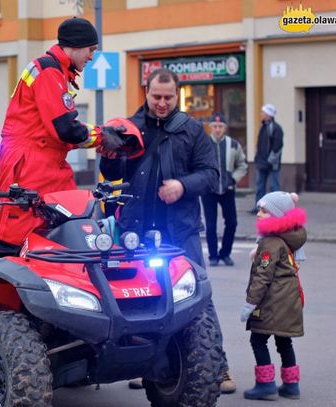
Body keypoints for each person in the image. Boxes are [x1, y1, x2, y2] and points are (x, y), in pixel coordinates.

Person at [100, 68, 236, 394]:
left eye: (168, 97)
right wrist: (107, 155)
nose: (162, 103)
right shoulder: (129, 128)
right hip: (137, 230)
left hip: (181, 230)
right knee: (140, 298)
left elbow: (211, 174)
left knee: (198, 298)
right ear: (146, 92)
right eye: (156, 97)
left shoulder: (192, 130)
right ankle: (144, 366)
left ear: (178, 95)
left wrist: (182, 185)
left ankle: (217, 367)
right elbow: (112, 171)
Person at [0, 17, 125, 260]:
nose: (92, 56)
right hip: (30, 163)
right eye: (91, 49)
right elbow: (65, 129)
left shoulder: (54, 71)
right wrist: (102, 136)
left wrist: (100, 137)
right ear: (76, 45)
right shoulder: (49, 72)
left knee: (69, 222)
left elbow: (57, 132)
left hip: (42, 159)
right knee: (19, 229)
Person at [241, 191, 306, 400]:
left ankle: (266, 384)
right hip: (288, 301)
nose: (258, 214)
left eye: (264, 211)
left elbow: (263, 276)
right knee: (284, 341)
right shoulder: (285, 238)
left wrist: (250, 304)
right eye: (259, 209)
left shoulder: (271, 243)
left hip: (273, 302)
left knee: (258, 340)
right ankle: (291, 385)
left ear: (277, 216)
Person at [201, 112, 247, 267]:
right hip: (209, 191)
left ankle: (225, 253)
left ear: (225, 128)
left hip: (227, 190)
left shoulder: (233, 144)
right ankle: (213, 256)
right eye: (215, 126)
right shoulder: (204, 144)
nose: (218, 129)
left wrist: (234, 179)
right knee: (211, 225)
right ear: (210, 128)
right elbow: (196, 165)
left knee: (232, 222)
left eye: (220, 126)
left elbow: (242, 165)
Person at [251, 104, 283, 214]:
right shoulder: (263, 126)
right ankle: (259, 207)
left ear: (269, 114)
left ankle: (277, 208)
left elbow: (277, 146)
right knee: (260, 186)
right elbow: (260, 144)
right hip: (261, 162)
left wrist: (270, 161)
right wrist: (257, 157)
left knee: (274, 187)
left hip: (272, 164)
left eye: (263, 112)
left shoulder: (276, 128)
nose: (261, 114)